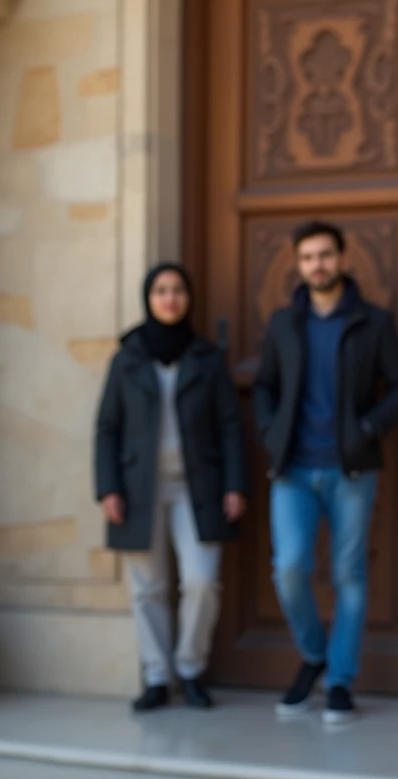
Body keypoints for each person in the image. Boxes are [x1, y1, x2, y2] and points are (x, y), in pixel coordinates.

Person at [254, 220, 398, 724]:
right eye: (307, 257)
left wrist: (368, 427)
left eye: (325, 255)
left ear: (343, 259)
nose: (317, 265)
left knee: (350, 574)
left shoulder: (372, 321)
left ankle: (340, 680)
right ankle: (313, 655)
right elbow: (264, 386)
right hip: (293, 470)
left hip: (351, 470)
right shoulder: (284, 323)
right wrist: (270, 432)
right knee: (289, 569)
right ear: (298, 265)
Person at [94, 262, 248, 713]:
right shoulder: (127, 359)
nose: (169, 298)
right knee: (148, 587)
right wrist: (108, 488)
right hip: (139, 488)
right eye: (161, 290)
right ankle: (157, 676)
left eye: (177, 289)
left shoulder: (206, 357)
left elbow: (229, 427)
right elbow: (107, 427)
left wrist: (235, 485)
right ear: (149, 298)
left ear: (188, 298)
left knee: (202, 581)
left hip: (197, 487)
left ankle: (190, 667)